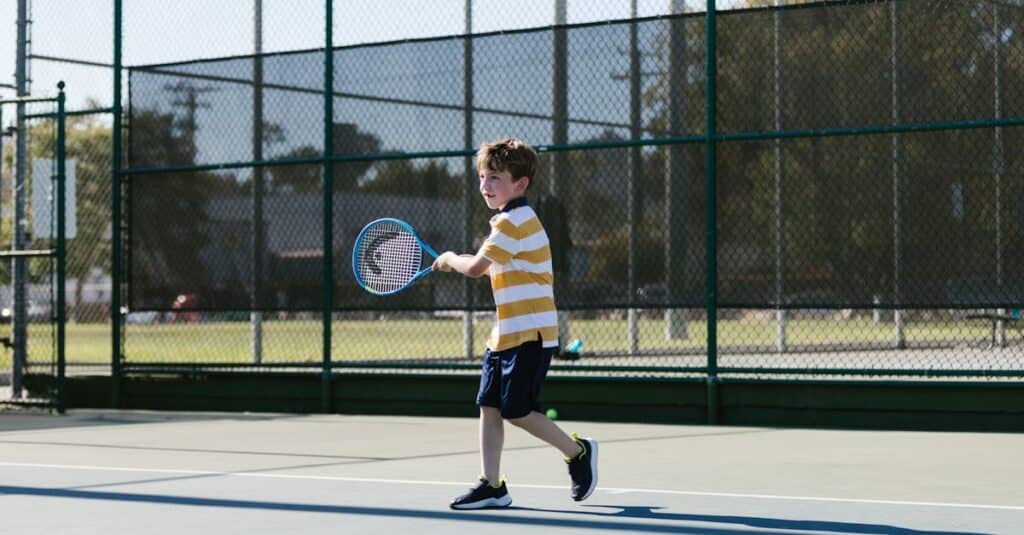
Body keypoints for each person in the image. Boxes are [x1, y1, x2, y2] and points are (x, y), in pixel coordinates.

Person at [432, 137, 597, 510]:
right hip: (504, 332)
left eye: (495, 178)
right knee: (489, 407)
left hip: (532, 333)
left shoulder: (514, 222)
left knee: (516, 410)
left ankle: (578, 452)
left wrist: (447, 258)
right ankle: (493, 486)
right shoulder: (505, 221)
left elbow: (475, 268)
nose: (485, 186)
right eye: (482, 177)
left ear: (520, 184)